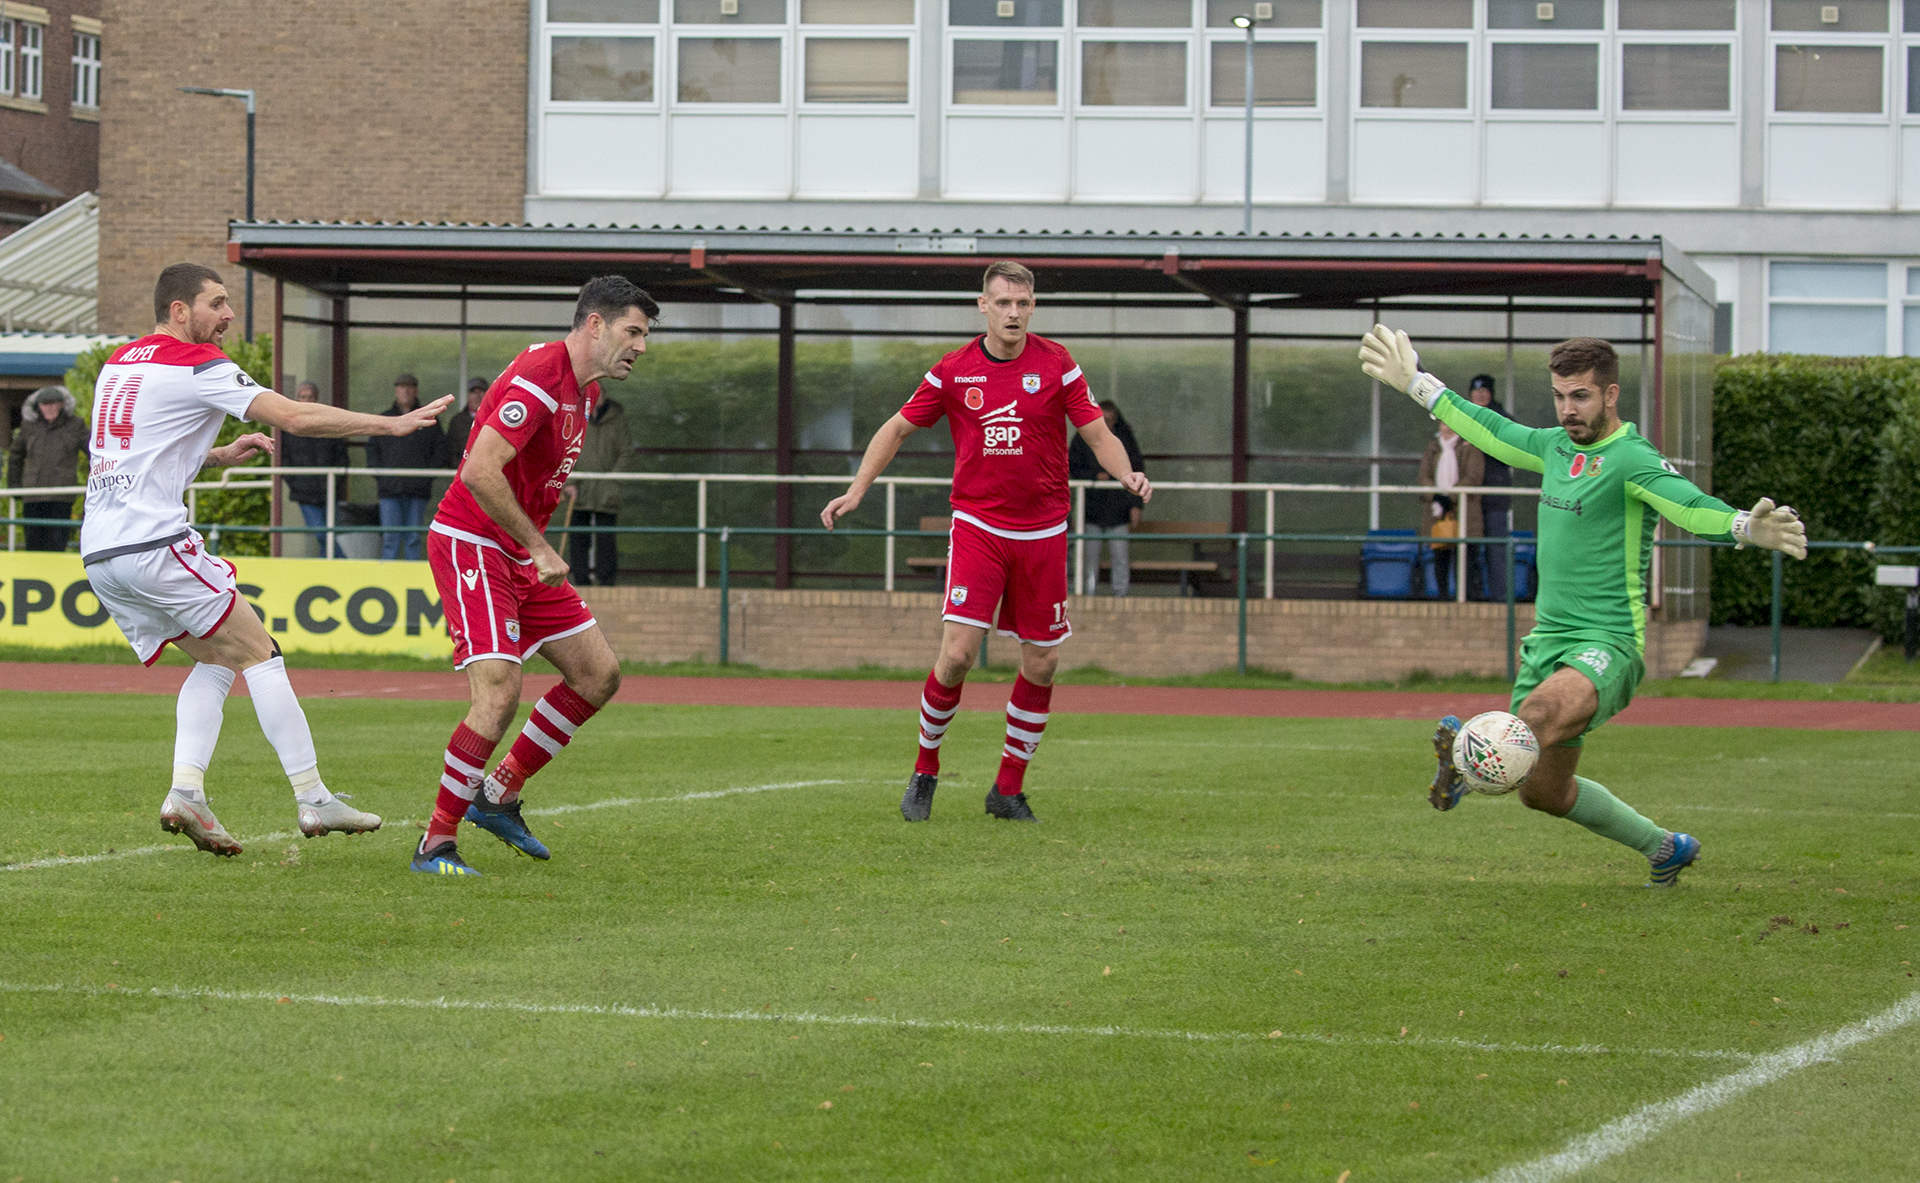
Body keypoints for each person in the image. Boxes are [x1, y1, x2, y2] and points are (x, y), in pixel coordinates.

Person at [1359, 328, 1807, 886]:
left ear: (1611, 394)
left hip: (1608, 645)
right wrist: (1418, 386)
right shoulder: (1554, 447)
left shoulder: (1631, 459)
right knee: (1542, 793)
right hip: (1547, 644)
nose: (1568, 410)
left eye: (1581, 397)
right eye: (1559, 396)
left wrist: (1742, 525)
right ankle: (1664, 848)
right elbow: (1494, 431)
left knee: (1536, 721)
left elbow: (1689, 506)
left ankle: (1466, 766)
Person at [82, 263, 450, 857]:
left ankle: (187, 792)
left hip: (102, 553)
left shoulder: (119, 365)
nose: (229, 315)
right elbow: (297, 416)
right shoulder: (198, 364)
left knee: (220, 660)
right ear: (180, 311)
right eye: (217, 303)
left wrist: (222, 453)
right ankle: (314, 797)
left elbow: (139, 454)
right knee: (261, 653)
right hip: (152, 543)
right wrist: (393, 423)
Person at [823, 261, 1151, 824]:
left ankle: (1006, 790)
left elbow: (1097, 432)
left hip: (1044, 531)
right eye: (1003, 303)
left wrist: (1126, 475)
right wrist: (857, 489)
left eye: (1023, 303)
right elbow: (896, 427)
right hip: (979, 527)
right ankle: (925, 769)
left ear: (1033, 307)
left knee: (1043, 663)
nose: (1014, 313)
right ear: (983, 306)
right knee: (957, 655)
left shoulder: (1058, 363)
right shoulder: (953, 371)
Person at [410, 275, 656, 876]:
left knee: (599, 675)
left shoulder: (585, 392)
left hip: (518, 552)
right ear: (594, 324)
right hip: (474, 544)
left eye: (646, 335)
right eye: (634, 331)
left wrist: (543, 501)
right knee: (498, 691)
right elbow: (478, 471)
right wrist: (539, 545)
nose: (641, 346)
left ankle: (498, 795)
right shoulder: (542, 377)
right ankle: (435, 843)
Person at [1068, 399, 1145, 596]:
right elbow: (1072, 467)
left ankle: (1121, 595)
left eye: (1111, 421)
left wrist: (1136, 504)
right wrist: (1094, 476)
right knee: (1088, 556)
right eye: (1104, 420)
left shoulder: (1125, 438)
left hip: (1118, 509)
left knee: (1120, 555)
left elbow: (1136, 469)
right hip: (1091, 508)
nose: (1108, 425)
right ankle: (1087, 594)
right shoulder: (1082, 437)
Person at [363, 373, 444, 560]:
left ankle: (412, 580)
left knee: (413, 538)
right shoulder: (384, 419)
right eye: (401, 386)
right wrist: (382, 477)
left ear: (416, 390)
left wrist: (426, 477)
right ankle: (387, 580)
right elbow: (372, 451)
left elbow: (440, 450)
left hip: (418, 490)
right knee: (390, 538)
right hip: (389, 491)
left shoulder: (429, 420)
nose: (405, 390)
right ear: (395, 390)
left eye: (409, 386)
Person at [9, 385, 89, 552]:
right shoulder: (28, 426)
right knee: (33, 546)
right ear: (38, 406)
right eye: (45, 404)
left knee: (57, 546)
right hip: (32, 496)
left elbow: (94, 453)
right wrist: (14, 487)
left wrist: (96, 485)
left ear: (62, 404)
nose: (49, 407)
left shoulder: (76, 425)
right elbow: (15, 456)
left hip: (62, 497)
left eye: (54, 403)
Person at [566, 393, 632, 587]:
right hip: (581, 488)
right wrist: (570, 482)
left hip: (607, 489)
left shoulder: (617, 419)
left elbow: (627, 452)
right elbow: (567, 448)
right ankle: (580, 581)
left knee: (606, 538)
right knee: (578, 538)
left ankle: (607, 582)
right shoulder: (576, 417)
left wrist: (613, 479)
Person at [279, 381, 351, 557]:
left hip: (329, 490)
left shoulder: (329, 424)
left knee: (328, 534)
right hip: (304, 493)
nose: (307, 400)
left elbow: (342, 456)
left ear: (316, 399)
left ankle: (328, 569)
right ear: (297, 399)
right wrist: (296, 484)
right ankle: (345, 563)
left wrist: (335, 483)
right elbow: (283, 460)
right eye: (303, 397)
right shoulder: (288, 428)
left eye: (310, 397)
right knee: (322, 534)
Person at [1416, 421, 1483, 598]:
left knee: (1466, 560)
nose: (1447, 428)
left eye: (1452, 424)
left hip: (1465, 513)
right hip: (1438, 515)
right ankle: (1443, 599)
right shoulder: (1432, 447)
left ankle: (1466, 602)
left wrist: (1450, 497)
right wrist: (1437, 496)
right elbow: (1423, 476)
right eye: (1443, 424)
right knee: (1441, 559)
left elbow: (1474, 476)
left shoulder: (1471, 446)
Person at [1466, 375, 1515, 600]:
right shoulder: (1463, 417)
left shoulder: (1503, 420)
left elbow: (1511, 453)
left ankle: (1501, 601)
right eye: (1476, 391)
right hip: (1468, 499)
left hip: (1495, 496)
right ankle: (1471, 598)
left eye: (1484, 390)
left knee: (1496, 549)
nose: (1480, 395)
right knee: (1469, 549)